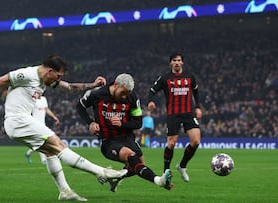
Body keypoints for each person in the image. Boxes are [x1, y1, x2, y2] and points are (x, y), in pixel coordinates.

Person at [0, 54, 127, 201]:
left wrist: (92, 85)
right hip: (17, 120)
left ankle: (65, 191)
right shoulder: (27, 74)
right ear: (49, 71)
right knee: (59, 144)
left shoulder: (46, 80)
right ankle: (101, 172)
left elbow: (69, 87)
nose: (58, 79)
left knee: (50, 151)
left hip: (20, 123)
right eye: (58, 76)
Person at [76, 73, 173, 192]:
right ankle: (159, 181)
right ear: (116, 85)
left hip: (128, 138)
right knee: (131, 156)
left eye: (127, 94)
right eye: (123, 93)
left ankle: (114, 178)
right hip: (109, 141)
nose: (124, 97)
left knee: (137, 166)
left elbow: (138, 123)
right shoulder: (97, 93)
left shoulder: (132, 97)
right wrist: (90, 122)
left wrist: (122, 124)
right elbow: (80, 106)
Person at [147, 53, 202, 182]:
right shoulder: (165, 78)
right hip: (173, 115)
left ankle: (182, 166)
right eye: (174, 60)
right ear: (170, 63)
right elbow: (152, 90)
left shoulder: (189, 76)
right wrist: (150, 101)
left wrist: (198, 107)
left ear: (182, 62)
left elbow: (196, 91)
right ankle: (166, 170)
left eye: (179, 60)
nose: (177, 62)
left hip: (188, 113)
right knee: (171, 144)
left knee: (196, 142)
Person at [24, 95, 60, 164]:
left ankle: (28, 153)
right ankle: (43, 159)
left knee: (42, 141)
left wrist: (54, 117)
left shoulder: (44, 99)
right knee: (43, 140)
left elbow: (46, 109)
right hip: (35, 125)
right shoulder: (33, 100)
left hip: (43, 125)